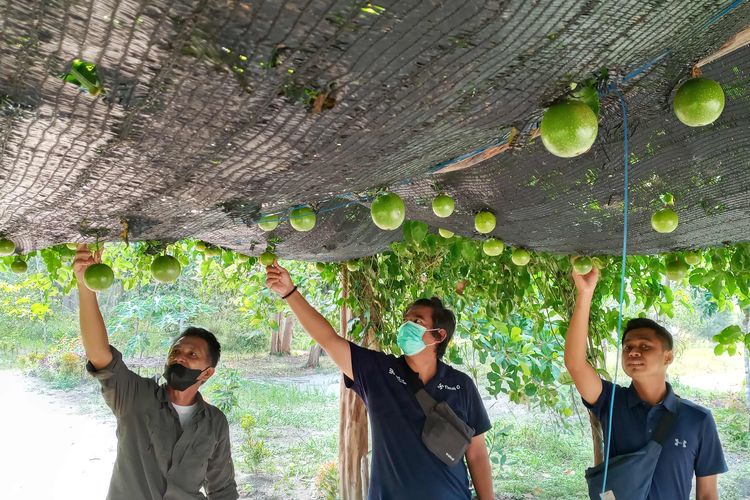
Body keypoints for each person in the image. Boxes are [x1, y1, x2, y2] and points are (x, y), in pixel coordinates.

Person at [265, 261, 494, 500]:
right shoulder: (379, 372)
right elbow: (329, 339)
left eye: (416, 322)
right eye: (405, 320)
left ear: (439, 335)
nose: (406, 327)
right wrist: (290, 293)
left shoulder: (461, 385)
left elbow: (476, 453)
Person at [73, 245, 238, 500]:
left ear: (207, 374)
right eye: (176, 351)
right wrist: (85, 286)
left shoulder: (214, 423)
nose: (179, 357)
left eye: (191, 355)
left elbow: (223, 490)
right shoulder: (135, 397)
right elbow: (99, 355)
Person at [565, 265, 727, 500]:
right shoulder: (610, 402)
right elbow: (575, 364)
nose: (633, 352)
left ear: (668, 357)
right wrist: (585, 292)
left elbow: (708, 495)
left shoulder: (698, 419)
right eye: (628, 347)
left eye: (645, 347)